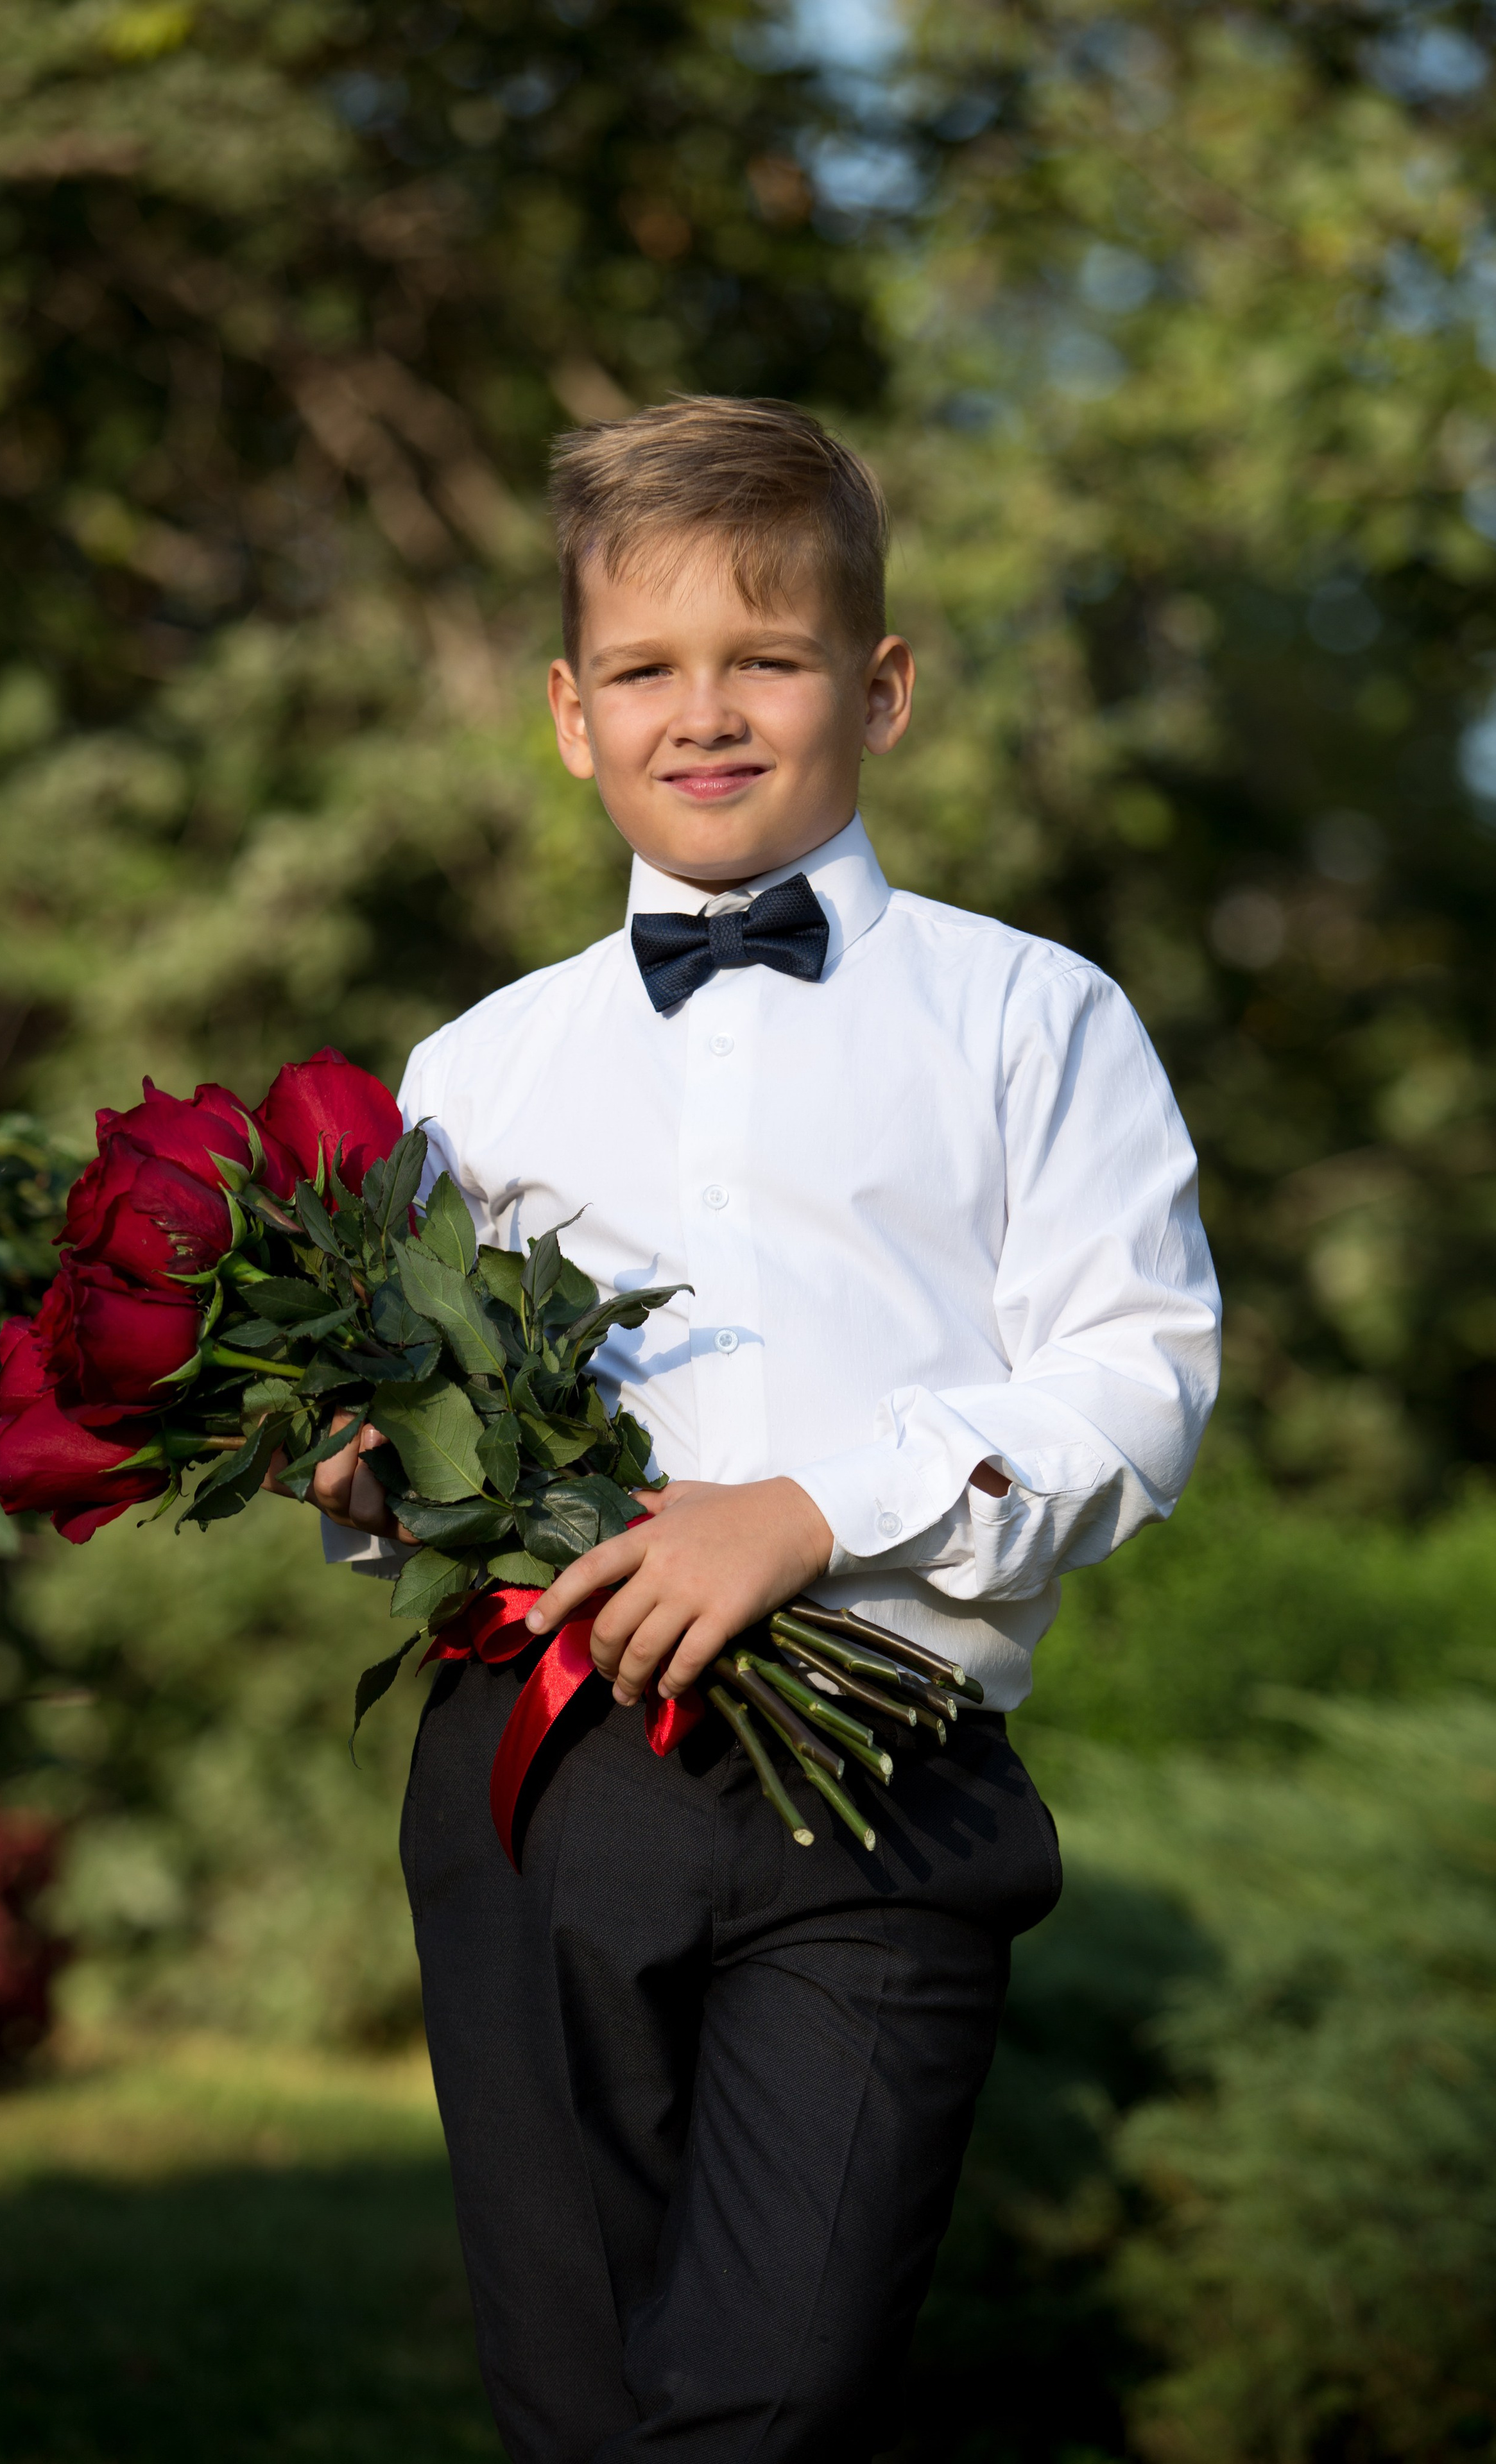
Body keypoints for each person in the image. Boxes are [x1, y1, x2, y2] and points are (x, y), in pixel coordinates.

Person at [302, 397, 1219, 2461]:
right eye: (644, 670)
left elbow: (1135, 1379)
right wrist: (366, 1483)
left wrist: (808, 1511)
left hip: (877, 1775)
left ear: (877, 688)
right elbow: (425, 1435)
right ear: (568, 714)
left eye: (766, 660)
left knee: (775, 2395)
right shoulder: (474, 1069)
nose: (702, 715)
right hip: (537, 1777)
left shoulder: (1029, 1017)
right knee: (578, 2405)